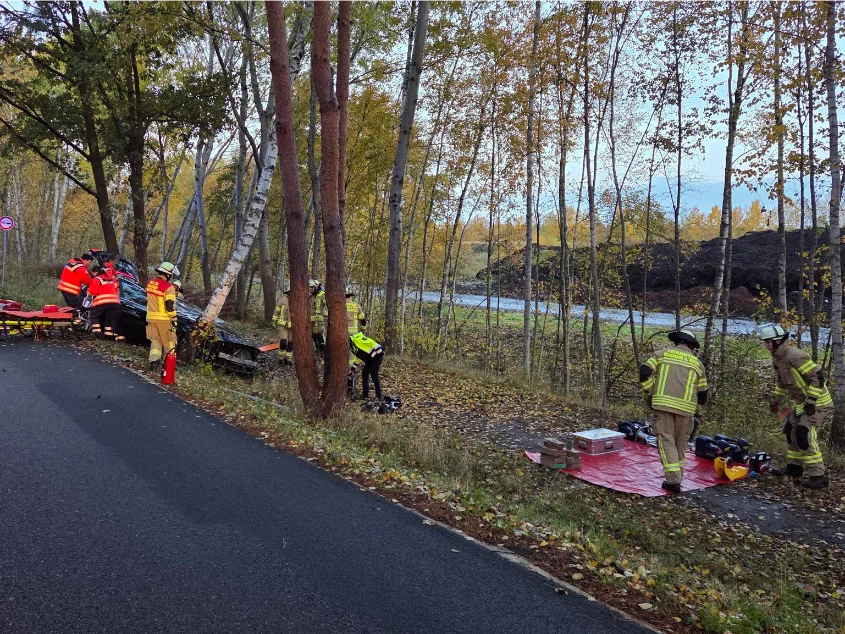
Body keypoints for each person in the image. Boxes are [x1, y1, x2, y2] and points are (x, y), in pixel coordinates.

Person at [759, 324, 830, 489]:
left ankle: (818, 476)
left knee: (804, 434)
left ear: (778, 341)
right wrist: (776, 400)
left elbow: (817, 378)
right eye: (765, 342)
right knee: (791, 433)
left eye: (768, 342)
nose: (766, 345)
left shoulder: (796, 356)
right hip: (800, 403)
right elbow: (781, 383)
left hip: (817, 402)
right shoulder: (777, 359)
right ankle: (794, 469)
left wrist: (812, 401)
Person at [639, 329, 708, 494]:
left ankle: (673, 481)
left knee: (666, 442)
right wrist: (695, 406)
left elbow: (644, 372)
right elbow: (703, 395)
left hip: (663, 407)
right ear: (692, 346)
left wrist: (650, 391)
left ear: (677, 342)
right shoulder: (697, 364)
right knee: (681, 445)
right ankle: (679, 477)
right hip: (687, 411)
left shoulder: (661, 355)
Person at [146, 261, 179, 371]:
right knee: (170, 340)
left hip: (151, 317)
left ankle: (154, 361)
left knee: (155, 340)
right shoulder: (169, 287)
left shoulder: (151, 283)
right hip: (164, 319)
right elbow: (169, 306)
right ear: (168, 274)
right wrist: (174, 319)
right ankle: (170, 363)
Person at [86, 266, 124, 341]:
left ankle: (98, 334)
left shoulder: (97, 279)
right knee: (109, 318)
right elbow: (117, 287)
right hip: (115, 303)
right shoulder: (113, 279)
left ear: (97, 273)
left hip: (101, 302)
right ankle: (108, 336)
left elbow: (92, 292)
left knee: (94, 316)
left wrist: (88, 294)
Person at [350, 332, 384, 402]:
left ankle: (379, 396)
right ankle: (365, 395)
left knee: (374, 375)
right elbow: (358, 358)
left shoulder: (357, 339)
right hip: (369, 361)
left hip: (377, 358)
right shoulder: (352, 346)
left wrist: (379, 351)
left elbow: (371, 342)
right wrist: (351, 370)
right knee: (364, 374)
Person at [272, 286, 293, 365]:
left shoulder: (297, 299)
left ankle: (288, 359)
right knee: (283, 342)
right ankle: (281, 358)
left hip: (293, 327)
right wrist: (274, 320)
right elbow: (276, 311)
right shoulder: (283, 299)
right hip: (283, 325)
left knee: (291, 343)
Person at [310, 279, 326, 355]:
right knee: (313, 334)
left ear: (316, 287)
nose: (311, 289)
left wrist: (325, 315)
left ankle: (323, 351)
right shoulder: (313, 296)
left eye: (312, 287)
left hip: (320, 319)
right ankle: (318, 348)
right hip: (312, 319)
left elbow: (327, 305)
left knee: (320, 334)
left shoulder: (322, 294)